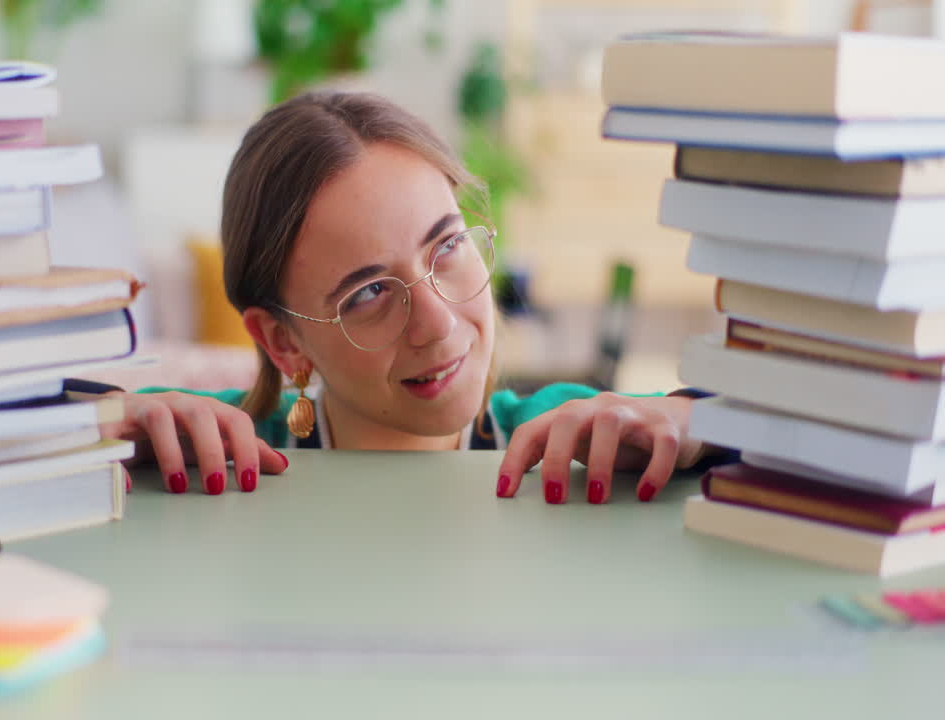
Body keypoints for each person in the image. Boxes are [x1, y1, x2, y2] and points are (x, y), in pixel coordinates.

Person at [98, 91, 720, 504]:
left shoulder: (564, 438)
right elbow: (21, 428)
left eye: (446, 247)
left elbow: (778, 430)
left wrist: (695, 422)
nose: (439, 323)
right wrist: (104, 424)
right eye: (369, 292)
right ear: (284, 341)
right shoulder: (224, 446)